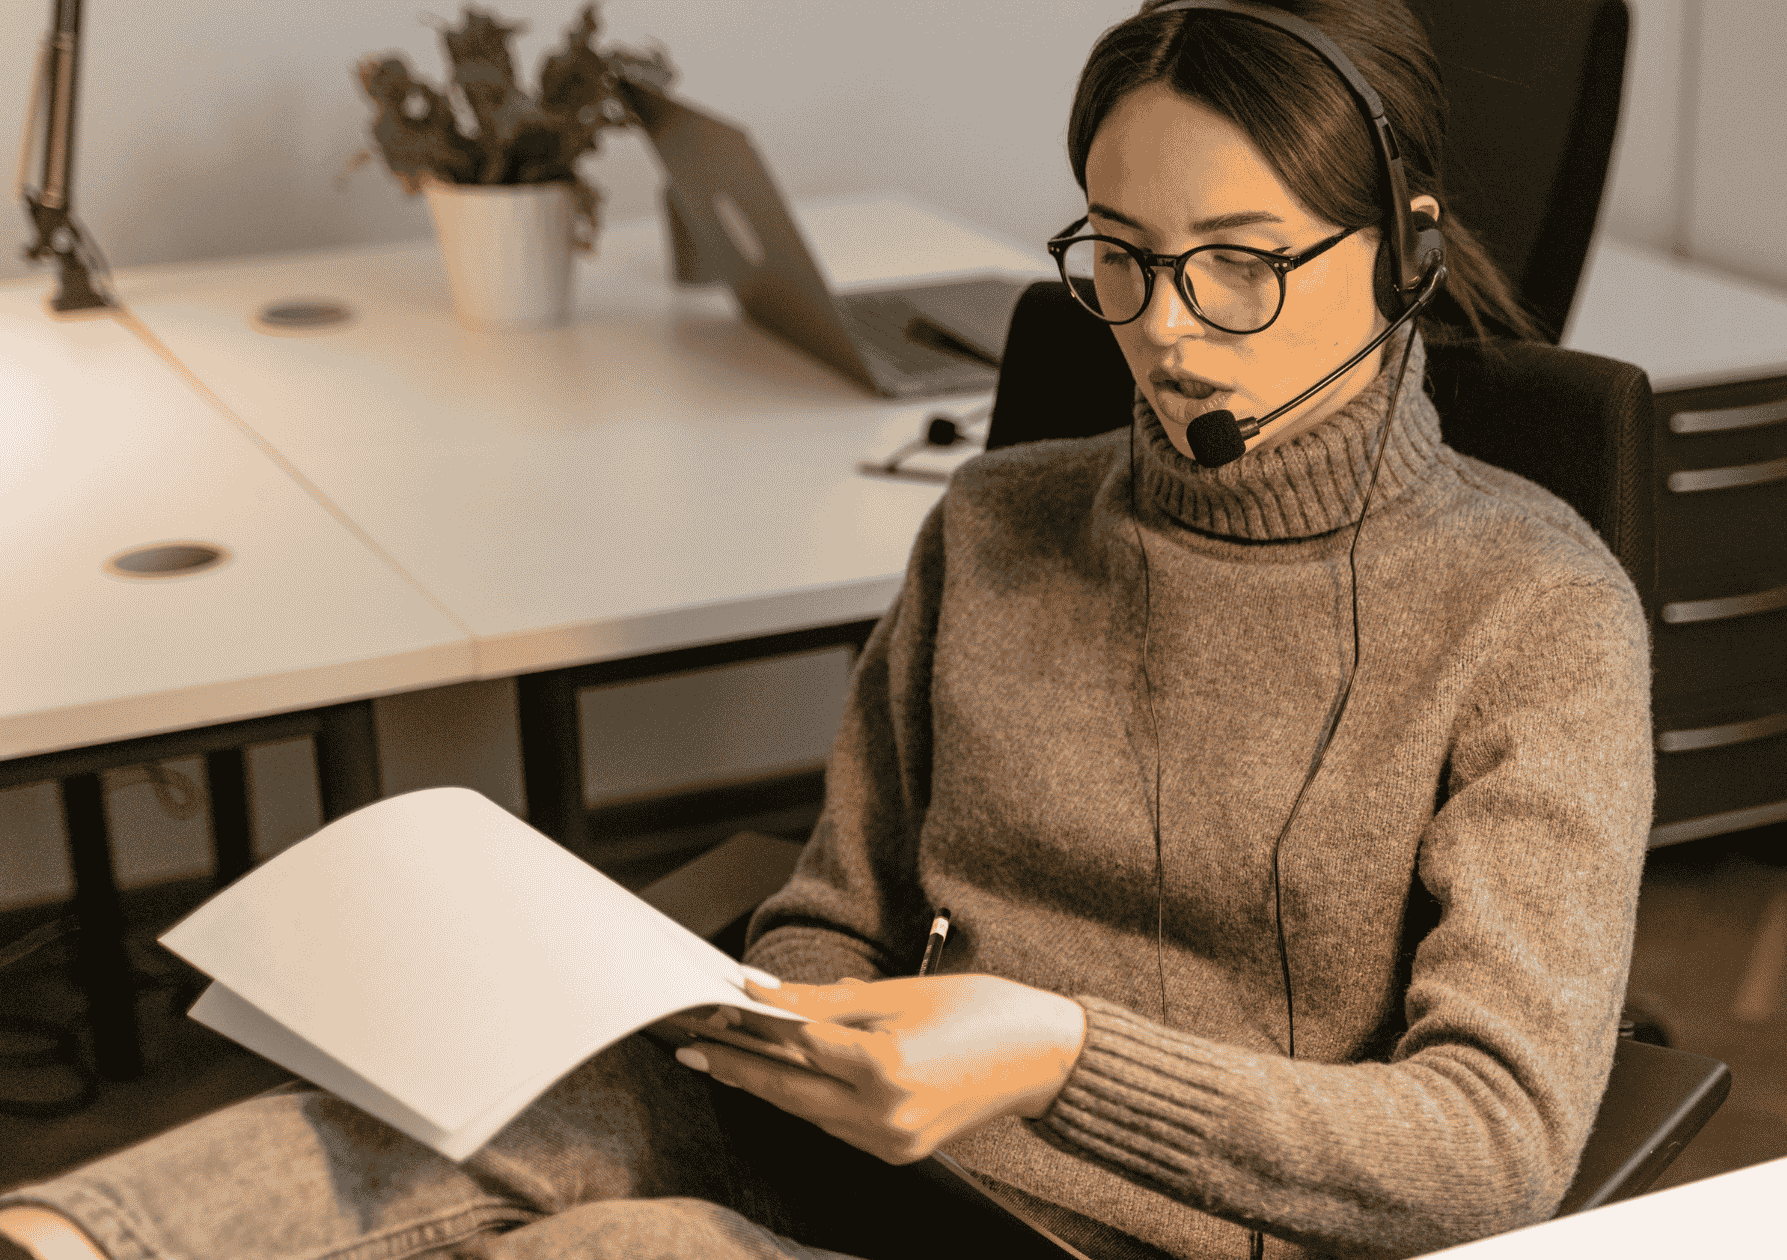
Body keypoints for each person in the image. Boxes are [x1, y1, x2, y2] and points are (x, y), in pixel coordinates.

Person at [0, 1, 1650, 1257]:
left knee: (617, 1251)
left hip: (1126, 1226)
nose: (1161, 331)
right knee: (468, 1110)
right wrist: (783, 1015)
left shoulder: (1532, 611)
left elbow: (1491, 1137)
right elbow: (829, 911)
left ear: (1409, 255)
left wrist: (1053, 1061)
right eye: (1123, 260)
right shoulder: (996, 525)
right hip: (866, 1148)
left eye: (1240, 266)